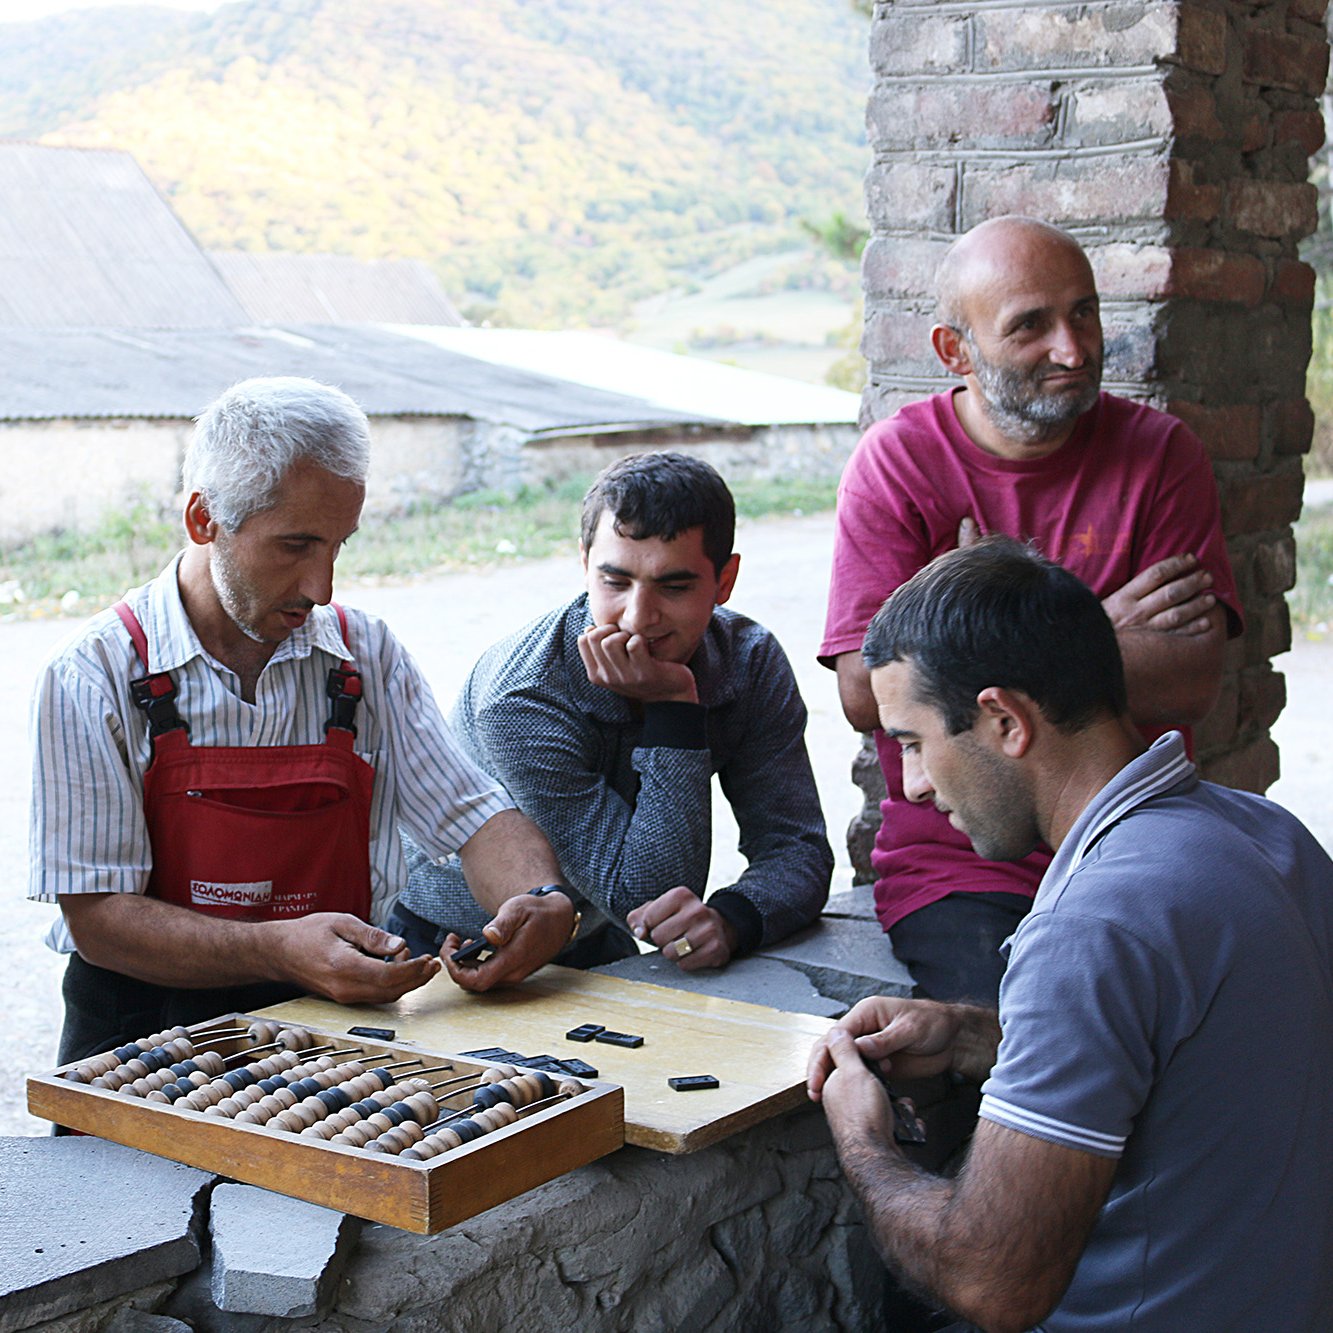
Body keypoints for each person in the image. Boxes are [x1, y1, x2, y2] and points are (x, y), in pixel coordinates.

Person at [807, 538, 1333, 1332]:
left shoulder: (1092, 926)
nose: (910, 784)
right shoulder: (1270, 834)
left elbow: (993, 1282)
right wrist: (970, 1035)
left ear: (1004, 720)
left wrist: (861, 1138)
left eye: (913, 743)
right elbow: (1184, 1048)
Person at [30, 377, 577, 1063]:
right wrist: (276, 948)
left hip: (328, 1034)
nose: (322, 587)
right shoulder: (94, 674)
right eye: (295, 545)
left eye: (338, 545)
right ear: (204, 519)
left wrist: (539, 897)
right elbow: (99, 920)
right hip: (142, 1040)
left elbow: (473, 816)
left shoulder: (364, 654)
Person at [820, 215, 1242, 1006]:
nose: (1073, 349)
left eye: (1082, 312)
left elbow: (1188, 679)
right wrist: (1096, 632)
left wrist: (968, 629)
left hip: (1135, 838)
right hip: (964, 868)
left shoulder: (1160, 454)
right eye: (1030, 327)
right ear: (955, 350)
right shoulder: (898, 464)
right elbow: (859, 692)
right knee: (1031, 1035)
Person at [393, 451, 832, 971]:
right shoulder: (522, 695)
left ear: (725, 581)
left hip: (594, 939)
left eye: (674, 586)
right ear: (584, 564)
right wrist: (674, 708)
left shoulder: (749, 659)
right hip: (450, 947)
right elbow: (644, 895)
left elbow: (797, 845)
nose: (638, 617)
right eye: (615, 582)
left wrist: (733, 918)